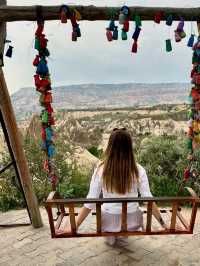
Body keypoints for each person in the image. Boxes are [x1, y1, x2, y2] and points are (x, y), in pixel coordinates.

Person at [59, 128, 167, 245]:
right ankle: (123, 232)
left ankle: (112, 233)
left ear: (110, 147)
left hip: (109, 221)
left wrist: (74, 227)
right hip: (133, 221)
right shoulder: (139, 170)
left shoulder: (101, 170)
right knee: (133, 211)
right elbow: (148, 200)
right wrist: (164, 224)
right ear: (129, 148)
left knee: (108, 214)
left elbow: (90, 201)